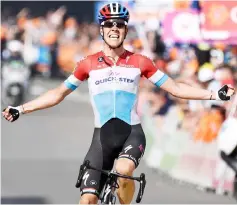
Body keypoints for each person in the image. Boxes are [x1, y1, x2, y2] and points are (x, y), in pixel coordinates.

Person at [2, 3, 236, 204]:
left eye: (120, 25)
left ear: (125, 30)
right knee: (87, 199)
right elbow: (57, 94)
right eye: (109, 24)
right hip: (101, 138)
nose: (115, 29)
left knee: (124, 171)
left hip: (131, 133)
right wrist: (21, 108)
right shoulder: (88, 63)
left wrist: (215, 94)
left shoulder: (140, 62)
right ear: (102, 29)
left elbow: (174, 88)